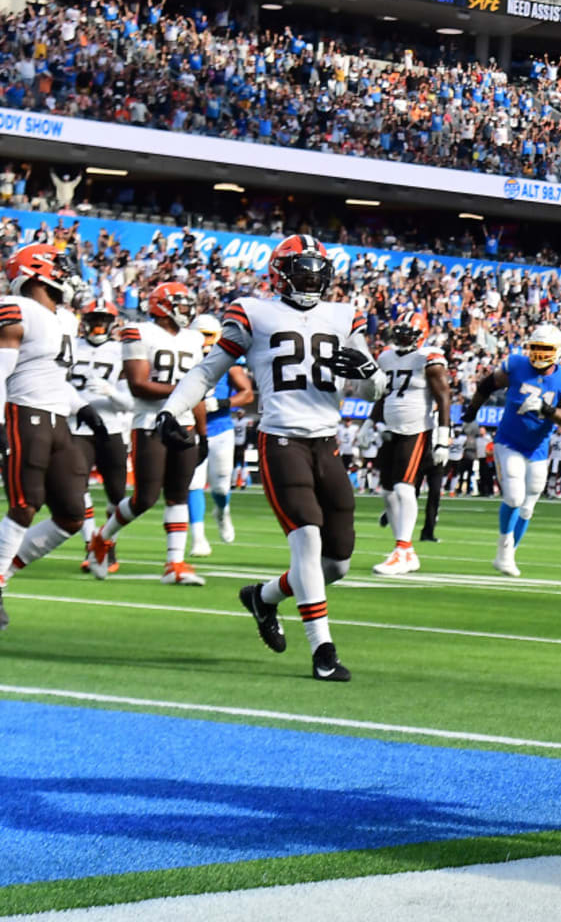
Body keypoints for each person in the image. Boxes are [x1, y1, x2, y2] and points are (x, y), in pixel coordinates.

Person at [157, 235, 386, 682]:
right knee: (307, 539)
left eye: (317, 272)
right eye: (302, 271)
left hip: (328, 442)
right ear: (280, 274)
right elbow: (209, 370)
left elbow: (375, 389)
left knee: (337, 562)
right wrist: (173, 408)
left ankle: (263, 597)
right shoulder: (253, 311)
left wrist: (368, 374)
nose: (311, 280)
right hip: (281, 440)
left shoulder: (343, 314)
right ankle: (323, 651)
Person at [0, 245, 105, 628]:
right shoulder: (17, 307)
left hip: (57, 418)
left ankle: (3, 574)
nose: (68, 272)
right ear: (36, 271)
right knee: (25, 504)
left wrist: (81, 407)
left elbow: (52, 377)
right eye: (59, 265)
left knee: (72, 516)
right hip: (22, 412)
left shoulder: (64, 318)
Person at [86, 281, 207, 586]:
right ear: (162, 306)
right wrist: (186, 391)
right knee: (145, 498)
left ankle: (174, 563)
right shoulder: (139, 332)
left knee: (178, 495)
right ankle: (102, 537)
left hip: (185, 421)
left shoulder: (193, 338)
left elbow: (201, 391)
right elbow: (140, 384)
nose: (186, 309)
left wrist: (203, 433)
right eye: (179, 303)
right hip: (150, 421)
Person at [462, 324, 561, 576]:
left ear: (557, 351)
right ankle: (504, 551)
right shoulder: (516, 365)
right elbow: (487, 385)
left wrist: (547, 410)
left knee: (528, 505)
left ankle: (508, 555)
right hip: (509, 441)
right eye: (535, 347)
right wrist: (472, 410)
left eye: (544, 349)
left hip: (538, 447)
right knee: (514, 497)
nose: (538, 353)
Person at [372, 311, 451, 574]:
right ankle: (403, 550)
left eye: (409, 333)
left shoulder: (429, 358)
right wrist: (369, 423)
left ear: (420, 335)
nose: (403, 337)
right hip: (390, 429)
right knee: (387, 492)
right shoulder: (385, 357)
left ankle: (403, 548)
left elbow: (443, 398)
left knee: (404, 488)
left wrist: (442, 436)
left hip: (416, 428)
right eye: (401, 332)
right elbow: (382, 394)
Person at [68, 298, 132, 573]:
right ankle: (89, 544)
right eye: (93, 320)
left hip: (110, 427)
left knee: (116, 494)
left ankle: (107, 544)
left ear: (112, 323)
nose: (97, 326)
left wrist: (111, 393)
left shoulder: (121, 352)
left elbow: (130, 403)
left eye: (102, 321)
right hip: (76, 427)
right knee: (77, 488)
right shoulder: (71, 347)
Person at [186, 314, 254, 556]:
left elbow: (247, 394)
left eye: (208, 335)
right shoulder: (184, 356)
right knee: (193, 483)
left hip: (220, 428)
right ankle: (198, 538)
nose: (204, 341)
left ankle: (222, 511)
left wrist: (222, 403)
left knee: (222, 485)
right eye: (201, 334)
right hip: (191, 429)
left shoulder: (228, 360)